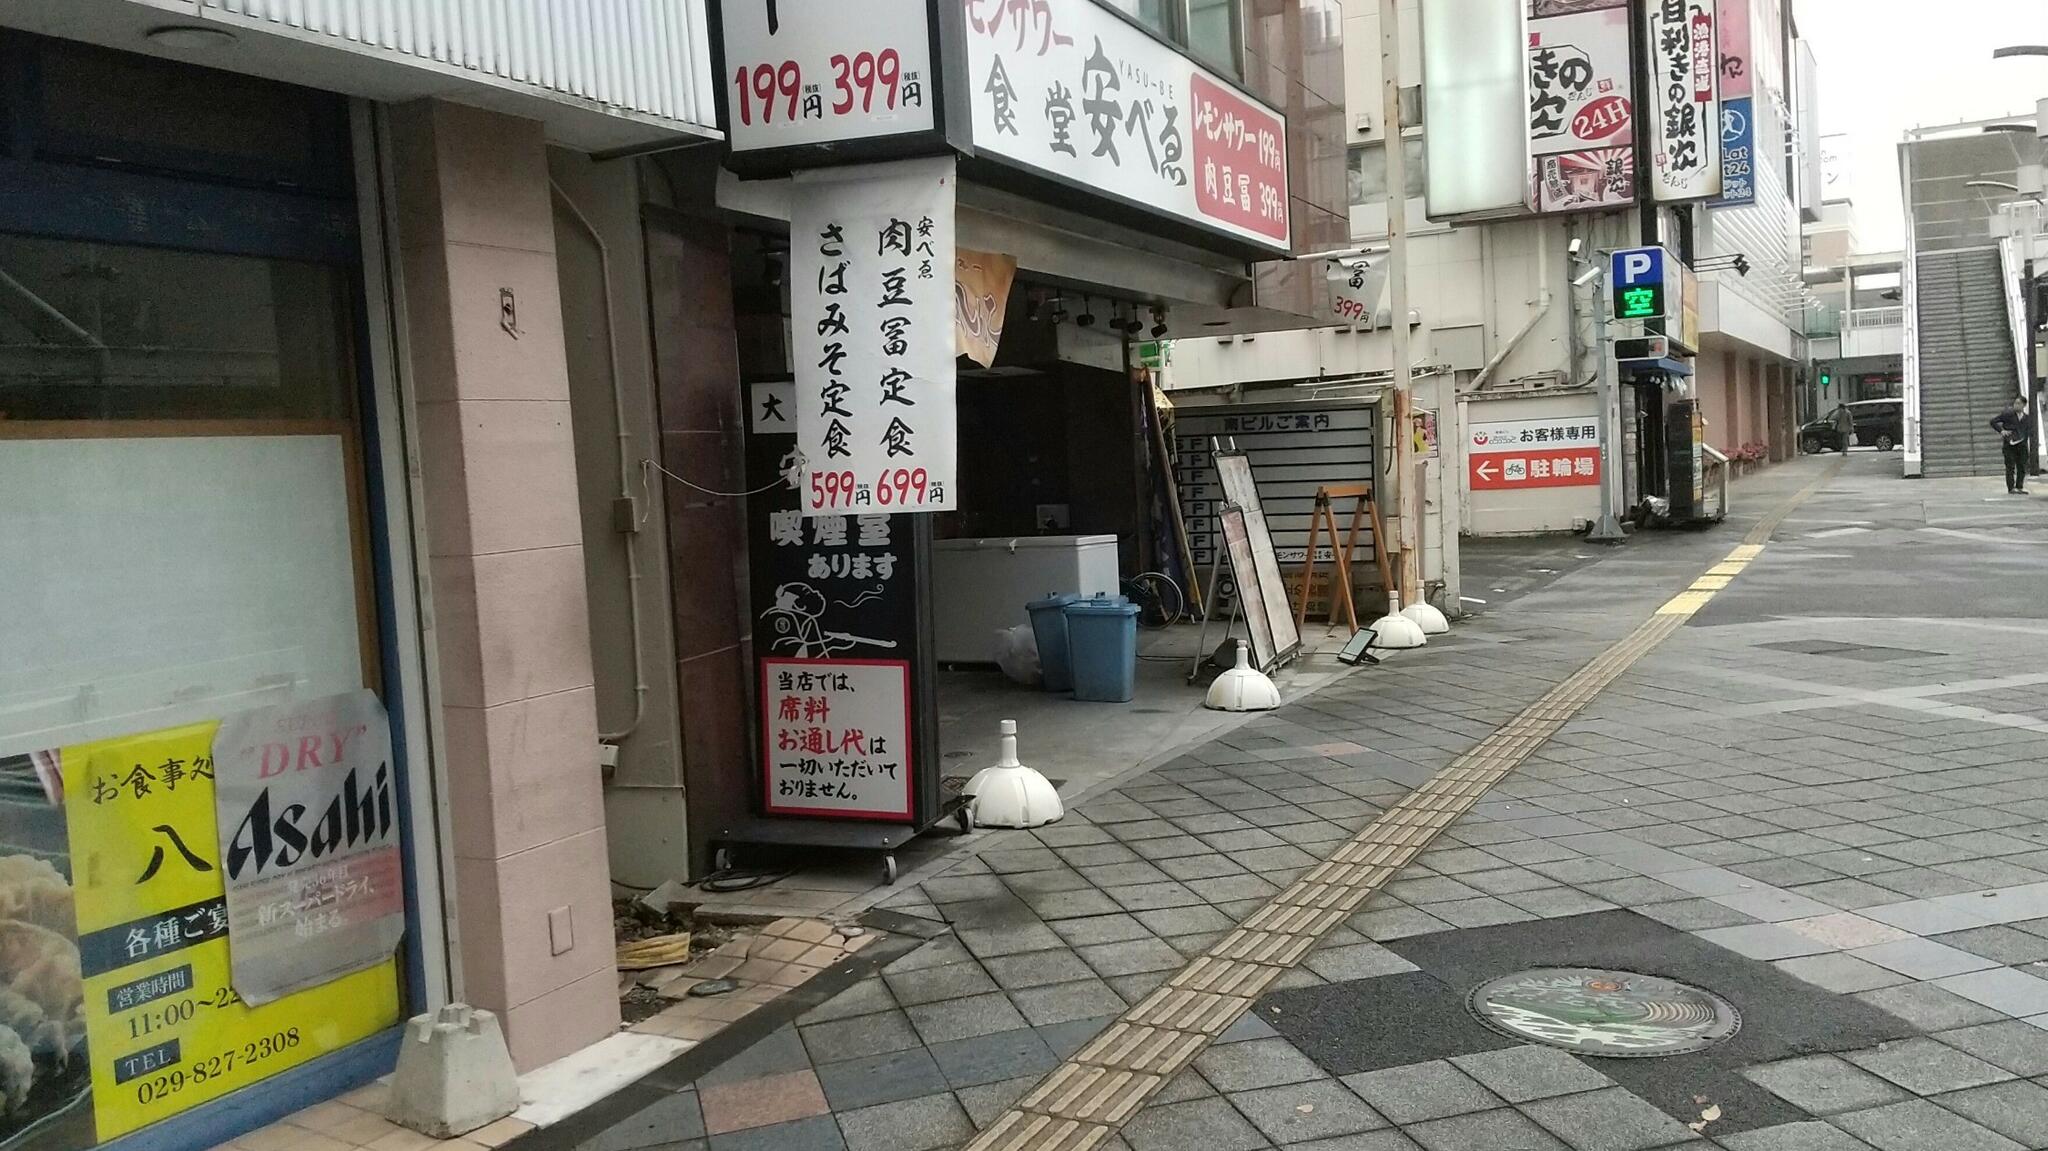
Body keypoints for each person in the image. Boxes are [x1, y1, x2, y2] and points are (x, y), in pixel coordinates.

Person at [1991, 396, 2032, 494]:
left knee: (2021, 466)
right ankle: (2011, 487)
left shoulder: (2026, 418)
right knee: (2010, 466)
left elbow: (2029, 430)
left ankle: (2019, 486)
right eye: (2015, 403)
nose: (2016, 405)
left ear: (2024, 405)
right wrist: (2002, 431)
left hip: (2022, 445)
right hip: (2009, 445)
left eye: (2018, 403)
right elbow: (1993, 421)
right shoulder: (2008, 414)